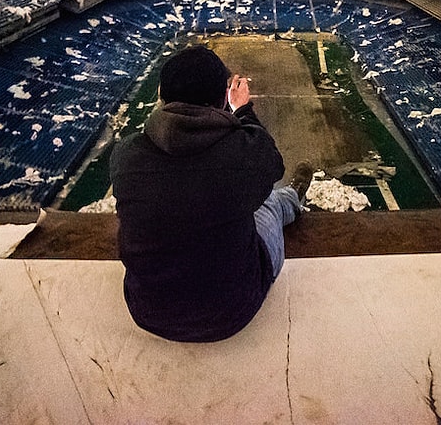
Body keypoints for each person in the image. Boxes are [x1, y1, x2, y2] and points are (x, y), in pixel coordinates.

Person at [108, 45, 312, 342]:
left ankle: (288, 200)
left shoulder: (125, 155)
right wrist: (243, 110)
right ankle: (293, 199)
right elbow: (271, 162)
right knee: (269, 200)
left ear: (162, 96)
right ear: (222, 101)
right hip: (231, 311)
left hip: (147, 309)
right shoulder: (241, 155)